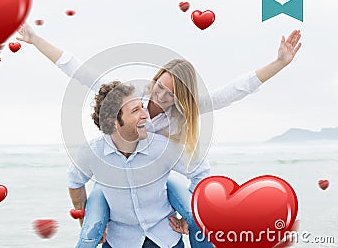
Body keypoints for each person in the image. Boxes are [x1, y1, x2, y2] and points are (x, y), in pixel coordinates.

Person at [17, 24, 302, 247]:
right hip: (115, 179)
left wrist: (279, 63)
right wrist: (34, 38)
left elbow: (233, 91)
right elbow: (78, 71)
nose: (161, 95)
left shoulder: (181, 113)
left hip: (157, 183)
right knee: (91, 229)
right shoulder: (128, 97)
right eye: (160, 85)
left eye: (170, 93)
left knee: (197, 219)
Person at [68, 80, 209, 247]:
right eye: (136, 110)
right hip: (119, 241)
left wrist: (187, 215)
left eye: (142, 107)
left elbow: (201, 172)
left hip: (164, 238)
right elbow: (75, 182)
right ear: (113, 120)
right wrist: (86, 219)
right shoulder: (92, 153)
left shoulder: (162, 148)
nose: (146, 115)